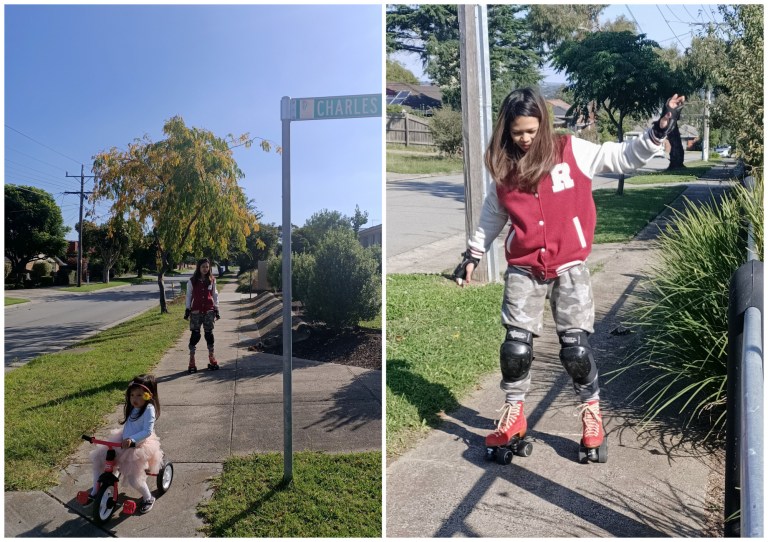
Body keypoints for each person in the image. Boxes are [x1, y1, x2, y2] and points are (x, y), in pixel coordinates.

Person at [454, 87, 685, 456]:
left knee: (574, 350)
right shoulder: (505, 167)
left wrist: (656, 132)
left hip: (570, 266)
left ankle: (591, 414)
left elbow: (622, 158)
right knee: (516, 346)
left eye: (531, 130)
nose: (526, 139)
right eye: (518, 132)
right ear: (506, 130)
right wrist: (473, 253)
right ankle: (514, 413)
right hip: (524, 267)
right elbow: (492, 215)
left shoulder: (570, 149)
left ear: (543, 124)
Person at [88, 374, 163, 514]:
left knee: (134, 478)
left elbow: (147, 431)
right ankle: (95, 489)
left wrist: (132, 440)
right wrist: (126, 438)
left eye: (139, 395)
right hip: (122, 441)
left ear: (148, 396)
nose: (134, 399)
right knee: (99, 460)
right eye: (132, 395)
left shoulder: (148, 409)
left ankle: (148, 497)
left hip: (137, 446)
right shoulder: (133, 406)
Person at [184, 257, 221, 372]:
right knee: (195, 335)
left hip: (209, 310)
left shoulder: (212, 280)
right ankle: (192, 359)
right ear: (198, 267)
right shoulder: (192, 281)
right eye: (203, 266)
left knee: (209, 334)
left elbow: (215, 294)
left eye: (207, 266)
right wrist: (187, 308)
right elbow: (189, 295)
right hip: (196, 311)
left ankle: (211, 356)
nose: (205, 269)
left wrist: (216, 308)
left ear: (209, 267)